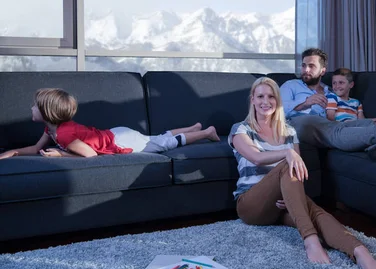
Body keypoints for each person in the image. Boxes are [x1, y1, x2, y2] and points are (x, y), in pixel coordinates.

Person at [229, 77, 376, 269]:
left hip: (280, 205)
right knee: (289, 162)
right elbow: (257, 158)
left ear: (277, 101)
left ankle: (359, 251)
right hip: (252, 205)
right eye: (260, 96)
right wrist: (287, 153)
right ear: (252, 99)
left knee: (315, 213)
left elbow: (297, 171)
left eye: (271, 97)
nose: (265, 101)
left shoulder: (289, 131)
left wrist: (288, 196)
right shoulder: (241, 129)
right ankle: (310, 240)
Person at [280, 48, 376, 161]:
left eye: (311, 66)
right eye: (304, 65)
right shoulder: (291, 85)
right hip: (297, 124)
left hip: (328, 125)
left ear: (323, 70)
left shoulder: (330, 90)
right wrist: (305, 103)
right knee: (329, 128)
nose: (305, 70)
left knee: (352, 125)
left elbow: (342, 115)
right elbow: (279, 109)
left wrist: (369, 121)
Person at [0, 88, 219, 160]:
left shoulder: (64, 135)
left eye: (34, 106)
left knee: (164, 144)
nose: (30, 108)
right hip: (115, 134)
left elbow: (91, 155)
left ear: (47, 112)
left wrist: (61, 153)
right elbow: (35, 149)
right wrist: (13, 152)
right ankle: (193, 127)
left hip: (121, 141)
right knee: (154, 138)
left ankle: (206, 132)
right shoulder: (53, 128)